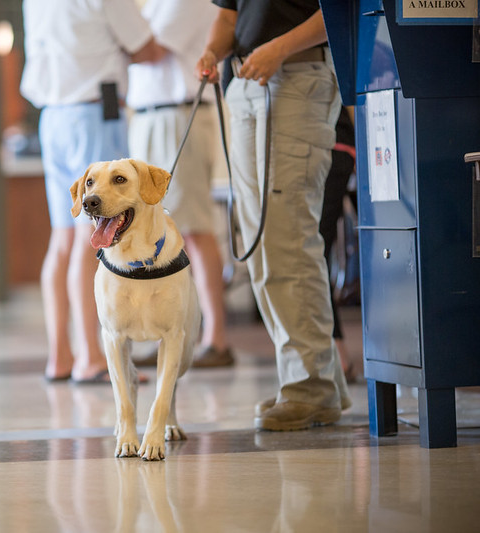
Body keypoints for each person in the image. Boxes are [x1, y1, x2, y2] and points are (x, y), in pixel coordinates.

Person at [195, 2, 352, 430]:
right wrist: (212, 51)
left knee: (287, 238)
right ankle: (312, 381)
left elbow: (338, 12)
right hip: (246, 83)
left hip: (296, 78)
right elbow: (229, 16)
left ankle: (311, 387)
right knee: (263, 246)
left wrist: (278, 49)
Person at [20, 0, 162, 383]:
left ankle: (60, 357)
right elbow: (147, 47)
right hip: (94, 114)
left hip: (53, 117)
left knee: (62, 240)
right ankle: (91, 358)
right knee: (91, 240)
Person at [127, 0, 233, 369]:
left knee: (190, 226)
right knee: (159, 227)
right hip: (153, 117)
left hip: (175, 115)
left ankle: (215, 337)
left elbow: (147, 49)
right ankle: (164, 334)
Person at [320, 106, 358, 383]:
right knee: (315, 252)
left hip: (330, 143)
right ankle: (336, 355)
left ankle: (338, 356)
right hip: (335, 142)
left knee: (314, 252)